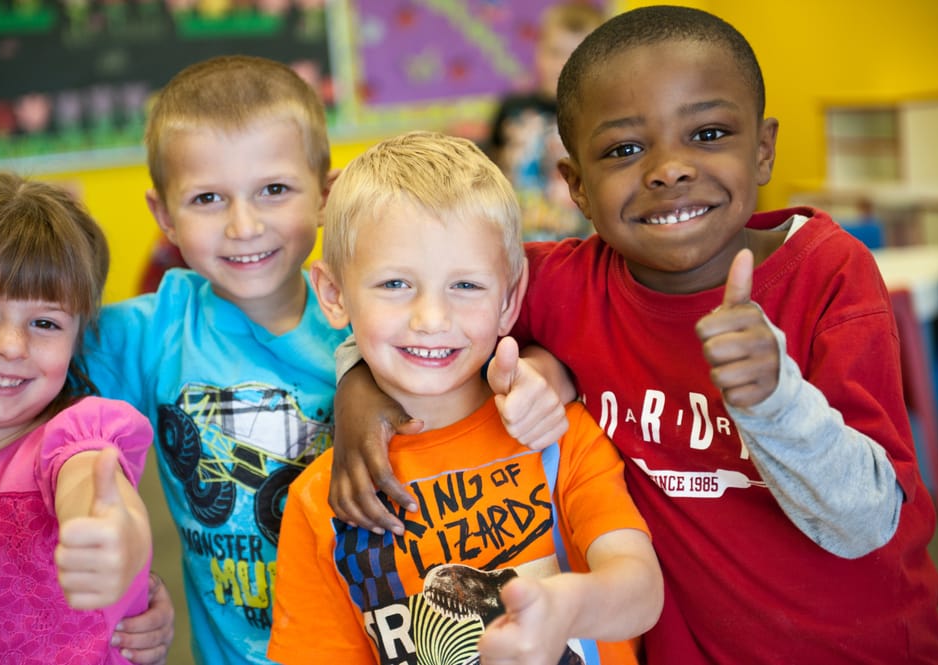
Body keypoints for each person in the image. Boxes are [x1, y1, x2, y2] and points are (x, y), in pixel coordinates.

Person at [328, 6, 938, 664]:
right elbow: (425, 297)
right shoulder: (561, 281)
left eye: (708, 132)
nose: (669, 169)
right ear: (577, 187)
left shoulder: (828, 271)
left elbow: (866, 520)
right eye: (624, 149)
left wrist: (774, 399)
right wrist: (359, 385)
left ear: (762, 149)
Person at [267, 130, 662, 665]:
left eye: (466, 286)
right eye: (394, 285)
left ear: (510, 300)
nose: (432, 319)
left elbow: (640, 592)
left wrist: (563, 607)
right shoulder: (319, 501)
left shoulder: (559, 436)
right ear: (334, 296)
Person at [80, 54, 353, 665]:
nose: (244, 224)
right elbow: (16, 370)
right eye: (207, 198)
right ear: (164, 216)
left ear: (325, 195)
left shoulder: (370, 314)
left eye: (274, 190)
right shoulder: (155, 329)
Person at [0, 166, 155, 663]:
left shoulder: (77, 433)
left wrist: (113, 534)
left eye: (45, 322)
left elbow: (90, 479)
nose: (10, 346)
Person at [486, 1, 605, 242]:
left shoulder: (599, 115)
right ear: (538, 50)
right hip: (517, 240)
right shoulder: (513, 108)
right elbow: (493, 166)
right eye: (554, 52)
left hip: (576, 243)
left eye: (575, 55)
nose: (562, 64)